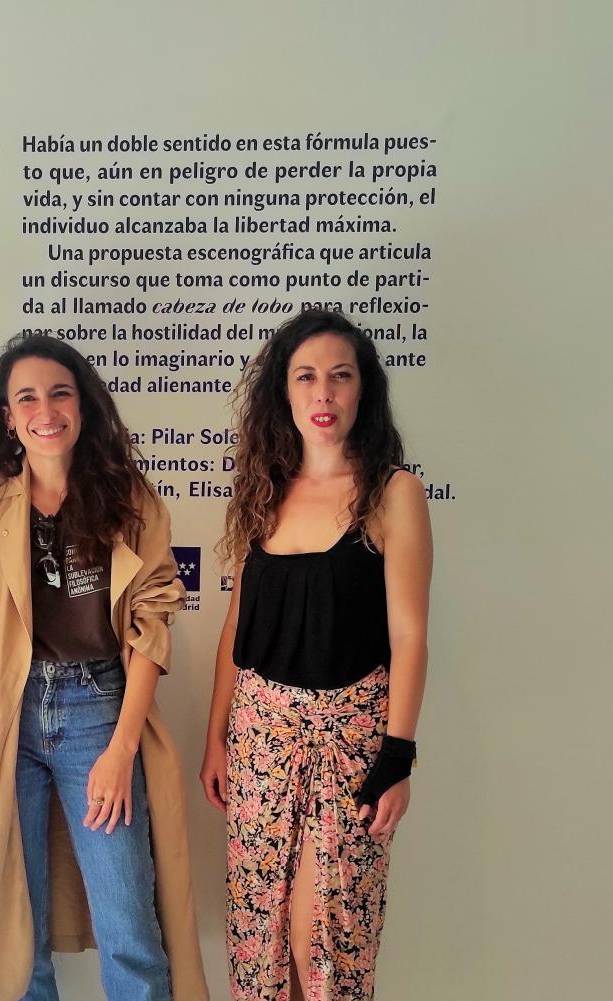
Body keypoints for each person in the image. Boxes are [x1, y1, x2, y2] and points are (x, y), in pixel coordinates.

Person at [0, 334, 208, 1001]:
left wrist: (119, 749)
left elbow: (151, 628)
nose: (45, 409)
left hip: (97, 710)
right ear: (7, 416)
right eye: (26, 396)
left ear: (83, 405)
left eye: (60, 392)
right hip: (9, 714)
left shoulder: (126, 497)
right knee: (16, 932)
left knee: (130, 928)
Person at [200, 309, 433, 1001]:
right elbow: (237, 629)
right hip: (261, 737)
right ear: (285, 392)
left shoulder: (392, 492)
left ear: (363, 390)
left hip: (352, 740)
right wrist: (217, 736)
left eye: (339, 376)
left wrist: (398, 756)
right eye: (306, 377)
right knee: (260, 935)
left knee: (325, 937)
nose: (323, 393)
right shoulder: (264, 491)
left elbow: (411, 635)